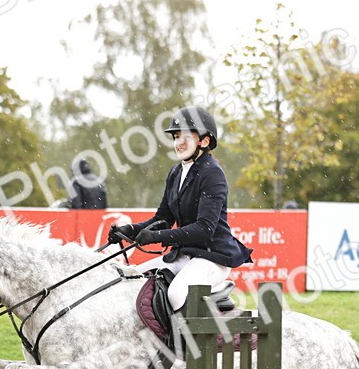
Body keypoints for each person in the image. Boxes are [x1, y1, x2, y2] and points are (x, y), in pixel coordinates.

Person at [107, 106, 252, 312]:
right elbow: (163, 218)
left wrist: (157, 236)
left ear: (204, 141)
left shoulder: (212, 174)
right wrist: (130, 230)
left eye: (186, 137)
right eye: (176, 137)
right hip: (185, 255)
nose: (178, 143)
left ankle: (186, 345)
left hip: (213, 258)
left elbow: (204, 229)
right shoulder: (176, 172)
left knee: (176, 294)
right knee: (133, 280)